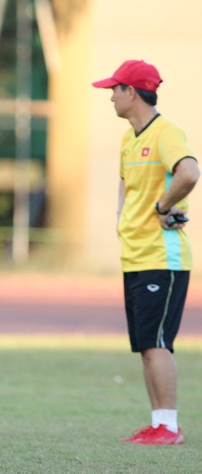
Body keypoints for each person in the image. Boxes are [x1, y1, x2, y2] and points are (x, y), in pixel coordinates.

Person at [93, 60, 199, 445]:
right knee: (145, 345)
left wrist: (162, 207)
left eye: (114, 89)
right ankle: (158, 423)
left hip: (162, 257)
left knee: (157, 343)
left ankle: (169, 428)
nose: (110, 97)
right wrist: (123, 218)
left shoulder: (167, 133)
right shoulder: (129, 139)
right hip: (136, 255)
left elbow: (189, 172)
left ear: (131, 92)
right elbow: (126, 186)